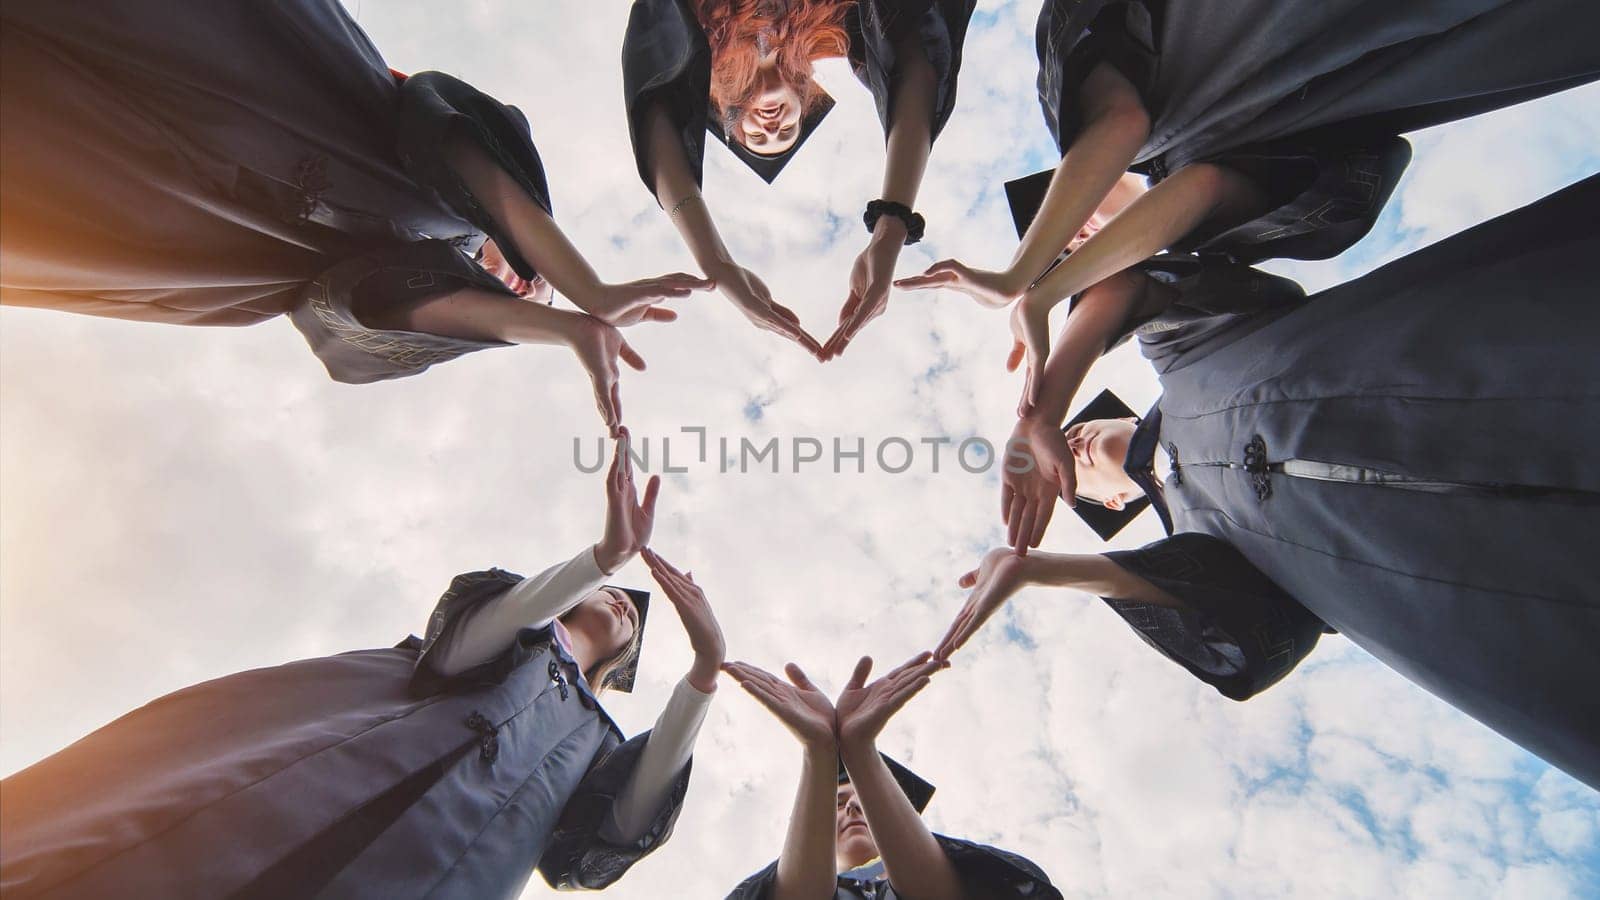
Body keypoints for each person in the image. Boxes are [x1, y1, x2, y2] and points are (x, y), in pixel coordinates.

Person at [937, 175, 1600, 790]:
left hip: (1521, 356)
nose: (1076, 446)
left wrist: (1042, 407)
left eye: (1075, 432)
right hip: (1524, 588)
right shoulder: (1202, 557)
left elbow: (1140, 284)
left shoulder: (1186, 353)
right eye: (1071, 473)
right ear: (1113, 502)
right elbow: (1243, 642)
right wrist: (1037, 571)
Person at [0, 436, 727, 897]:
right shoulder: (509, 632)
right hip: (312, 771)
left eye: (631, 618)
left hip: (438, 872)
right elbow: (466, 647)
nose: (624, 608)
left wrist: (702, 677)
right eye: (612, 595)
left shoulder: (594, 740)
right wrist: (598, 560)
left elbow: (611, 831)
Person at [0, 0, 713, 434]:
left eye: (525, 294)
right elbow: (479, 174)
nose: (525, 285)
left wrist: (557, 326)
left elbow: (369, 309)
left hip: (195, 229)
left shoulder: (401, 283)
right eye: (532, 277)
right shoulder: (445, 167)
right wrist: (585, 287)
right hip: (275, 80)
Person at [896, 0, 1600, 403]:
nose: (1076, 235)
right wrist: (1046, 291)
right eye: (1080, 250)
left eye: (1063, 228)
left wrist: (1030, 276)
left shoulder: (1080, 103)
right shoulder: (1214, 196)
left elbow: (1119, 126)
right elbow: (1194, 193)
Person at [623, 0, 975, 358]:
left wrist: (717, 264)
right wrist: (891, 226)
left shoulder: (697, 30)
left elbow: (657, 109)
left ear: (732, 116)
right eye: (788, 130)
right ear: (801, 97)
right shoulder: (836, 21)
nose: (773, 128)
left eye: (757, 137)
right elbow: (918, 67)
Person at [722, 654, 1062, 898]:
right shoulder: (783, 885)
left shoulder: (975, 877)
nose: (852, 809)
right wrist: (818, 751)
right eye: (837, 803)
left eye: (860, 802)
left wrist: (860, 750)